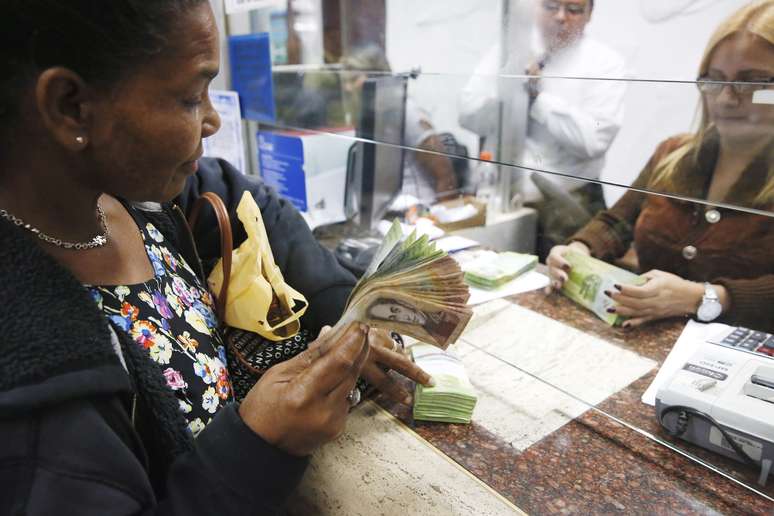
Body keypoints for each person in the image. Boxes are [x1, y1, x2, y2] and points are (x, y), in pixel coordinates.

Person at [0, 1, 430, 513]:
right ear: (70, 106)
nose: (213, 119)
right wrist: (260, 445)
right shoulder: (32, 382)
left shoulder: (131, 196)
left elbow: (250, 204)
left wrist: (342, 310)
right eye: (190, 97)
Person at [547, 0, 774, 332]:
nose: (726, 99)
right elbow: (616, 223)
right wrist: (578, 249)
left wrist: (706, 298)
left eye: (752, 83)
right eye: (714, 81)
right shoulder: (673, 153)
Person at [459, 0, 627, 256]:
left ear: (590, 14)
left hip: (567, 208)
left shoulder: (605, 63)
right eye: (551, 6)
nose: (561, 17)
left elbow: (593, 142)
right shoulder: (506, 52)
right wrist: (506, 90)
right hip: (499, 201)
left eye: (574, 10)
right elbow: (468, 116)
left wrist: (537, 97)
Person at [341, 45, 461, 203]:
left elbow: (445, 176)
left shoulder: (407, 112)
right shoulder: (371, 114)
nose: (347, 88)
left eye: (353, 79)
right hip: (388, 208)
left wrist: (437, 216)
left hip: (419, 209)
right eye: (345, 81)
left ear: (375, 76)